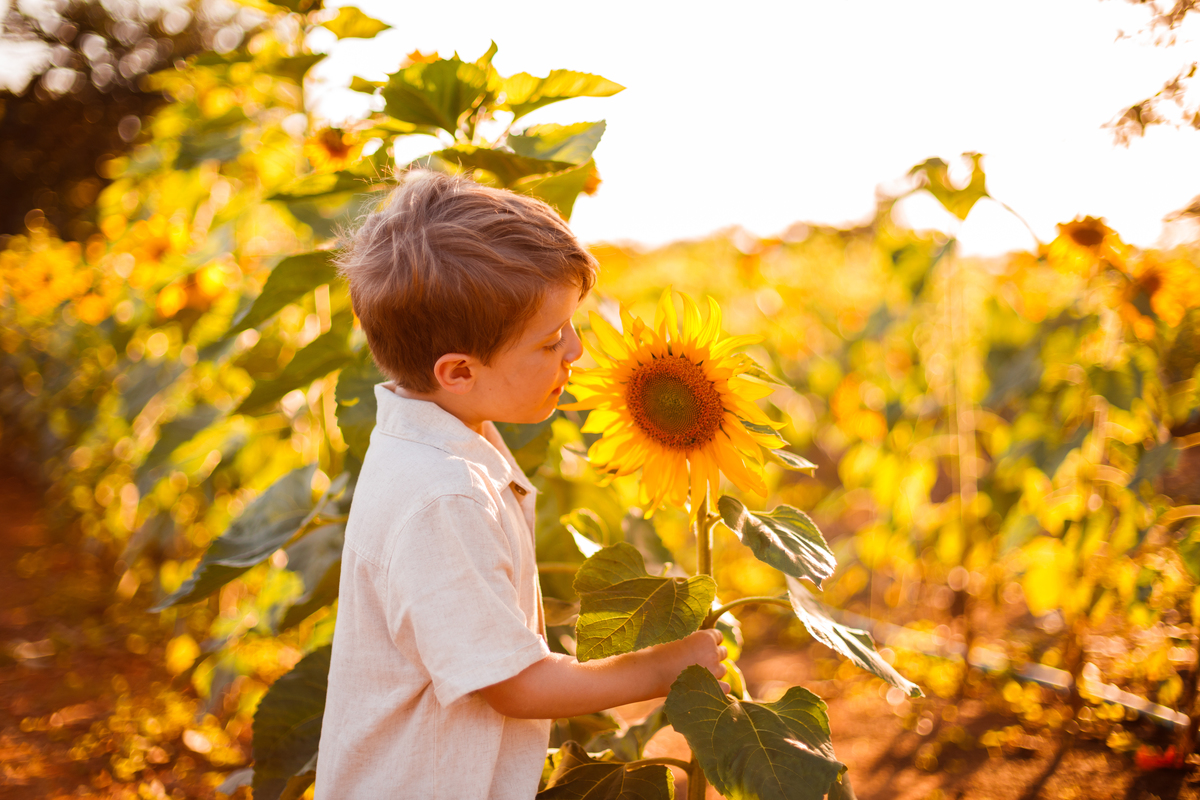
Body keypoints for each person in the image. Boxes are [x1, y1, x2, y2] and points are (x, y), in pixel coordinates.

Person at [314, 171, 727, 799]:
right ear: (458, 371)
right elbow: (511, 683)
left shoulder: (444, 440)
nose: (577, 350)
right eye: (550, 339)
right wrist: (662, 666)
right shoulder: (441, 496)